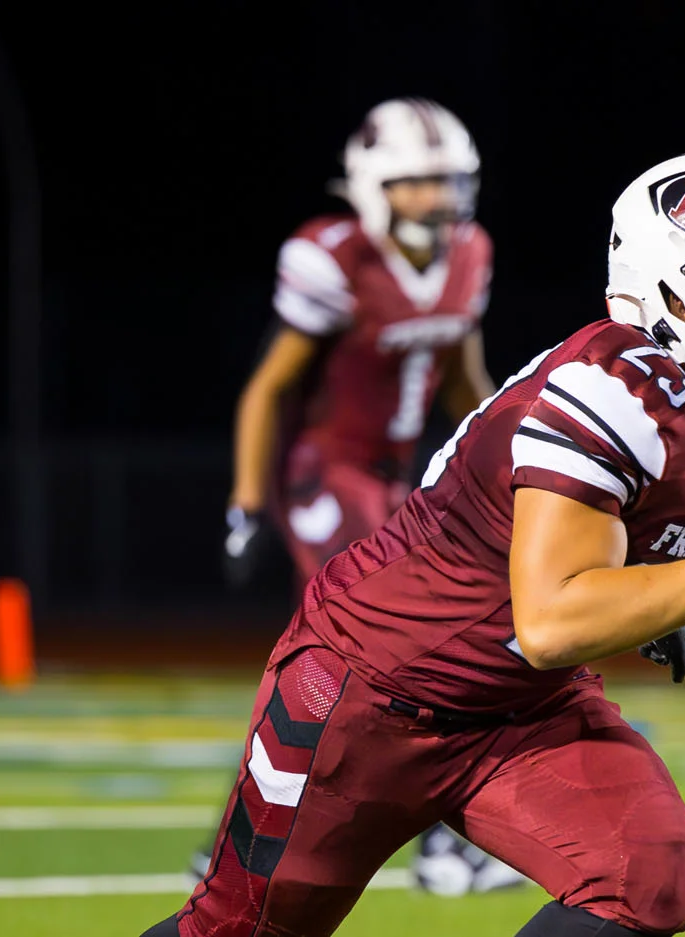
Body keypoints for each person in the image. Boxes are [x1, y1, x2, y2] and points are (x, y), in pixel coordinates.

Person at [143, 148, 685, 937]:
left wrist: (664, 594)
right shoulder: (605, 394)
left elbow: (623, 543)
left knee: (643, 872)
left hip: (520, 710)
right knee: (239, 930)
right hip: (372, 693)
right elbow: (551, 622)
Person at [205, 96, 522, 896]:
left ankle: (250, 842)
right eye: (416, 183)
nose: (436, 200)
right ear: (374, 183)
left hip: (401, 476)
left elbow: (464, 383)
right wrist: (247, 501)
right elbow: (269, 388)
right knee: (389, 655)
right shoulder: (332, 256)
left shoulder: (469, 253)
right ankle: (433, 847)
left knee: (386, 656)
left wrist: (518, 463)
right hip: (326, 468)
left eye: (446, 182)